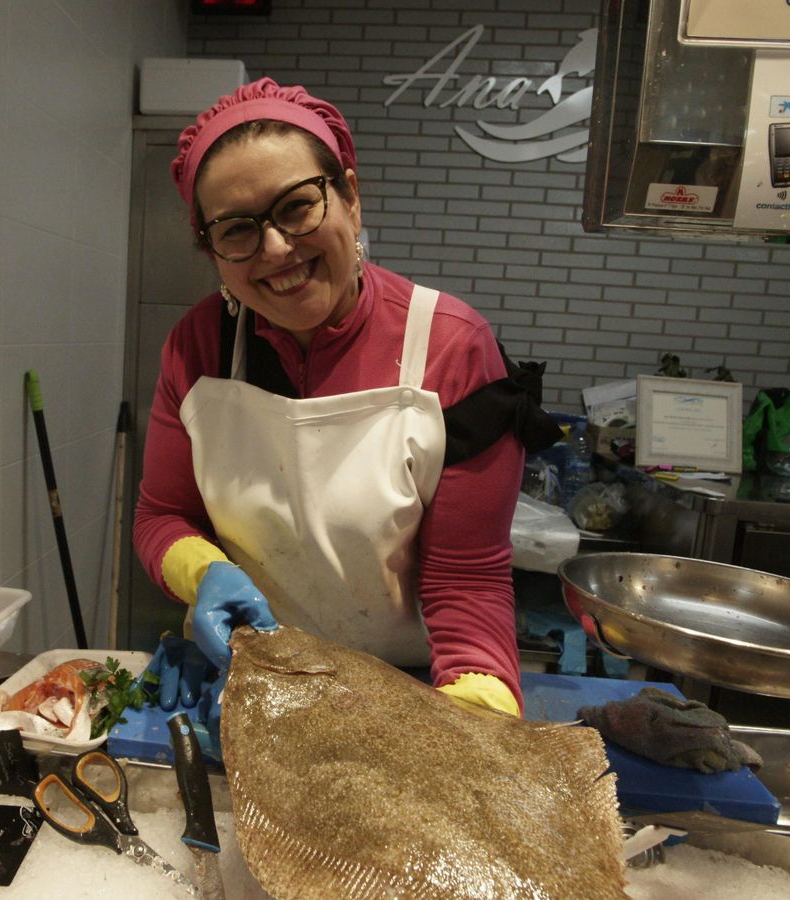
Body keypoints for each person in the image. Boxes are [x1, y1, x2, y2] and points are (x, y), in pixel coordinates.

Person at [133, 78, 552, 717]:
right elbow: (161, 516)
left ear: (350, 197)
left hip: (411, 690)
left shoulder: (450, 349)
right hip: (251, 681)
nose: (275, 248)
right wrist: (203, 572)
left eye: (297, 207)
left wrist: (475, 707)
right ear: (212, 252)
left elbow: (466, 579)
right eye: (237, 230)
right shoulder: (199, 349)